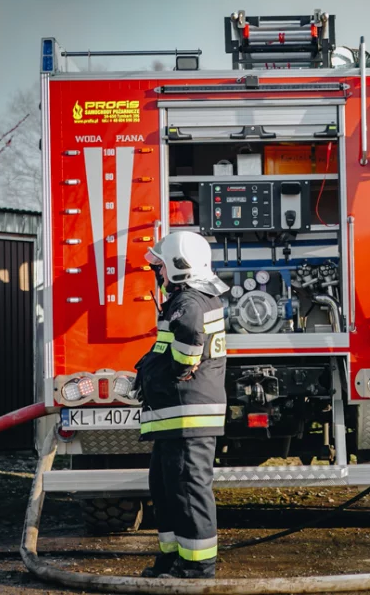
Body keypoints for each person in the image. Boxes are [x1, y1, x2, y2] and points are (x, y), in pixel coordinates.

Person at [135, 231, 229, 579]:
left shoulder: (189, 302)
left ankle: (196, 568)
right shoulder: (192, 298)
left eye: (160, 266)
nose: (157, 273)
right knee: (166, 489)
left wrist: (181, 366)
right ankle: (174, 559)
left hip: (188, 415)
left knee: (188, 490)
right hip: (175, 416)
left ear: (179, 266)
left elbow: (189, 334)